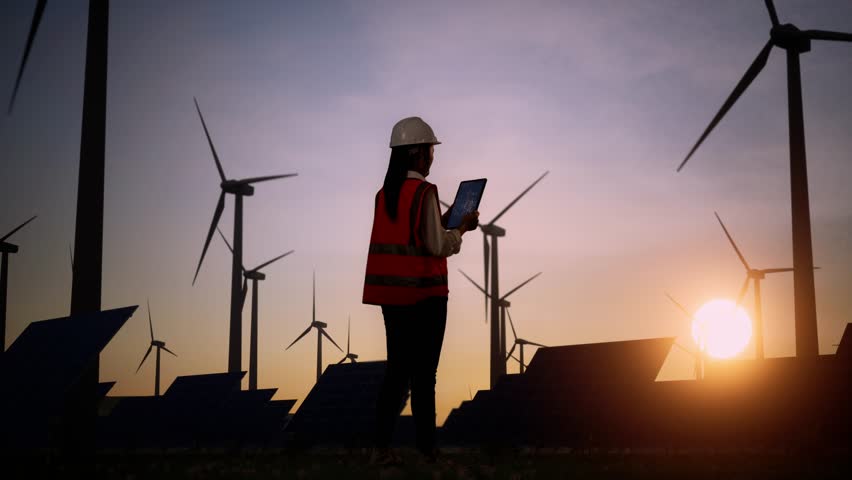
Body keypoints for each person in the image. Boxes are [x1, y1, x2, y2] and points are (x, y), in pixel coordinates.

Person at [363, 117, 479, 465]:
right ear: (417, 153)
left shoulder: (384, 195)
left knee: (397, 373)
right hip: (426, 295)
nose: (432, 157)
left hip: (391, 296)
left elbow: (409, 235)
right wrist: (461, 228)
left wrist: (442, 223)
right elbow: (436, 245)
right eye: (430, 150)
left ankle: (380, 448)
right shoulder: (425, 192)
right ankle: (428, 450)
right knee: (424, 375)